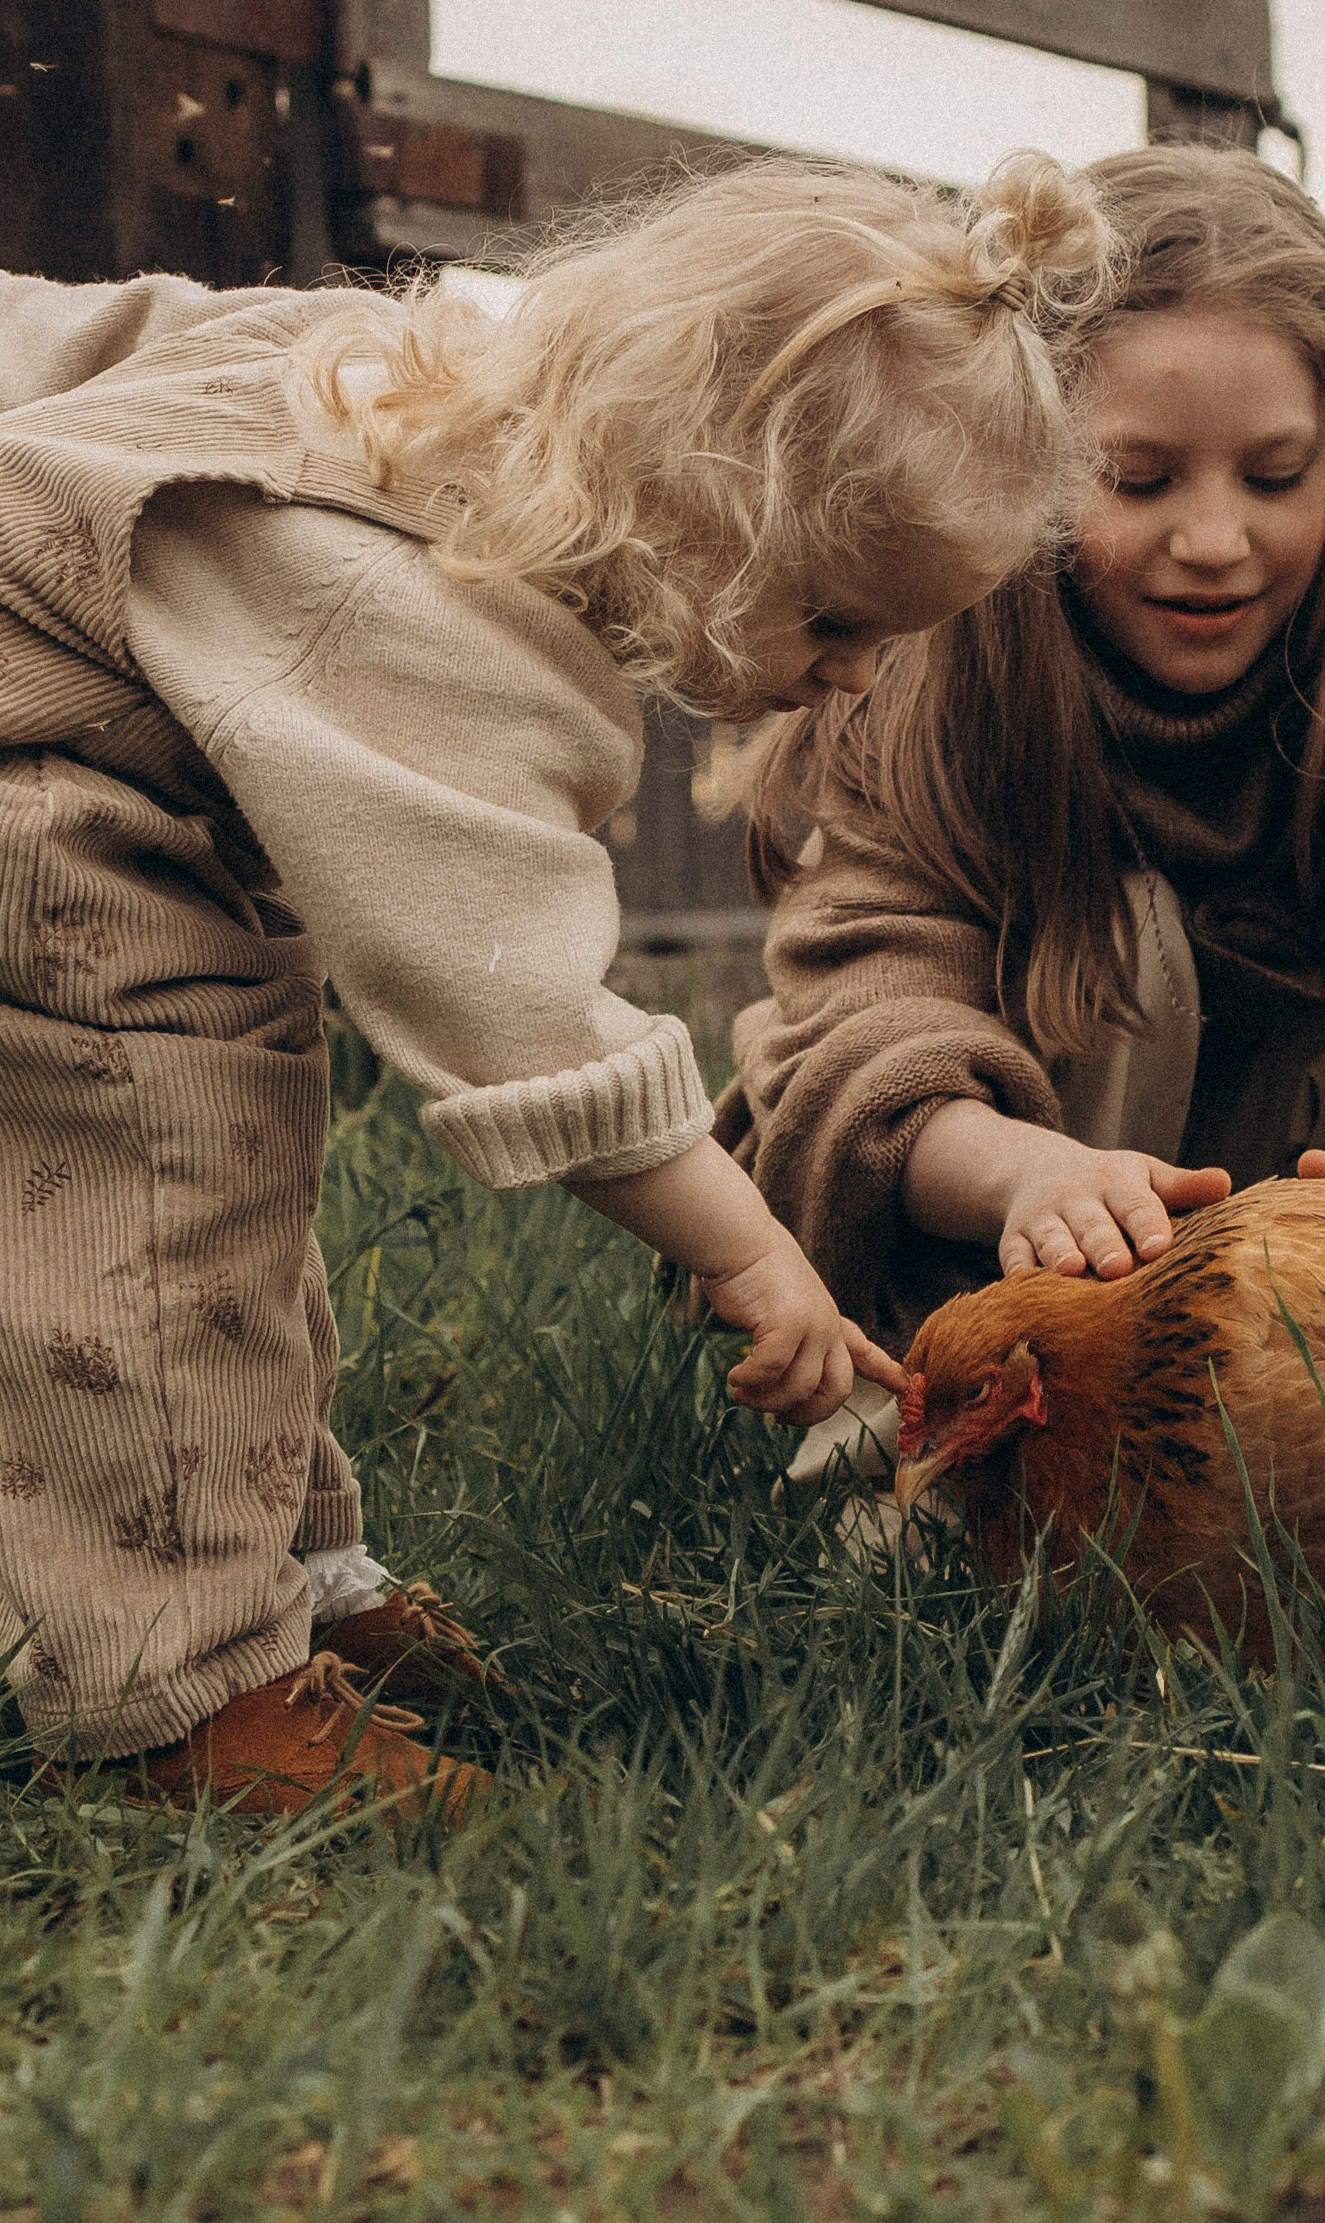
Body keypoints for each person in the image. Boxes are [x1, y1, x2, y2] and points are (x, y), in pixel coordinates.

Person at [0, 148, 1109, 1814]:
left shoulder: (390, 381)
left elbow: (71, 345)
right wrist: (758, 1257)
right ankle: (179, 1699)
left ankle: (288, 1586)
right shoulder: (419, 613)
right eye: (832, 620)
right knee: (162, 1176)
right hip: (46, 826)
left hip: (105, 798)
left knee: (231, 1163)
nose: (852, 678)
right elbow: (522, 1013)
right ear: (711, 505)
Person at [721, 146, 1325, 1461]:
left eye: (1274, 478)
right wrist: (1023, 1175)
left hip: (1293, 1199)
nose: (1214, 539)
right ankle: (932, 1426)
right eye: (1140, 478)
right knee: (1131, 946)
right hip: (994, 1215)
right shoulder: (929, 677)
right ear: (1023, 458)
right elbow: (868, 1024)